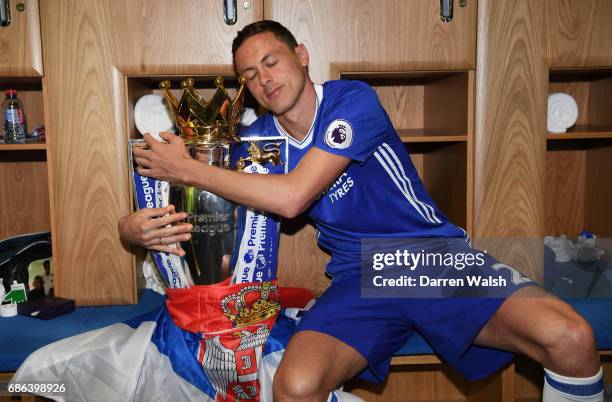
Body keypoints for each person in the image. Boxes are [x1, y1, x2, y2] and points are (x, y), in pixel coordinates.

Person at [120, 20, 604, 402]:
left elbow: (291, 197)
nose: (264, 79)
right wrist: (135, 226)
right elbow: (204, 208)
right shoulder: (256, 143)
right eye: (249, 75)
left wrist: (187, 171)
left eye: (272, 61)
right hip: (357, 276)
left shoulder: (353, 100)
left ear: (302, 56)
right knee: (296, 387)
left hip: (426, 260)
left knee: (570, 337)